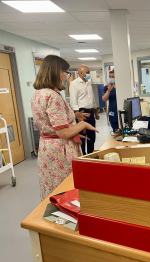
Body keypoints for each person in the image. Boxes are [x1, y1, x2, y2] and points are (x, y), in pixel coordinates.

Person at [31, 55, 99, 201]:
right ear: (57, 71)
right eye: (66, 72)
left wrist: (73, 133)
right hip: (60, 151)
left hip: (47, 148)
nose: (66, 76)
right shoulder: (53, 96)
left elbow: (51, 127)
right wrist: (83, 124)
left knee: (51, 187)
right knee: (65, 189)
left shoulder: (37, 94)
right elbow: (62, 133)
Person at [69, 65, 100, 155]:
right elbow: (73, 101)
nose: (89, 74)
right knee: (82, 137)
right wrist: (78, 116)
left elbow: (92, 99)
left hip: (90, 112)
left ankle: (90, 155)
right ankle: (83, 157)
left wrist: (96, 113)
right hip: (82, 113)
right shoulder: (75, 84)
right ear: (81, 73)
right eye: (88, 72)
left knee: (92, 137)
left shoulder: (88, 83)